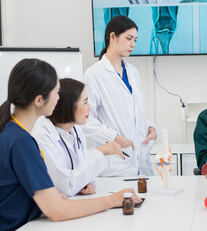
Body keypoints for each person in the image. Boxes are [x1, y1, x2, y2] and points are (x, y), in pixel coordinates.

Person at [0, 59, 141, 231]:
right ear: (39, 100)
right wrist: (112, 200)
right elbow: (57, 211)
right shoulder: (22, 142)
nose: (59, 98)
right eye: (56, 92)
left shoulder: (13, 134)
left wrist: (49, 196)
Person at [82, 15, 156, 176]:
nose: (133, 44)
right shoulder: (94, 74)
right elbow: (85, 120)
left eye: (135, 39)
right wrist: (114, 137)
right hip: (115, 165)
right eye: (129, 38)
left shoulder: (132, 72)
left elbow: (134, 112)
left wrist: (149, 127)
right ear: (112, 37)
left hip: (140, 160)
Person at [34, 78, 126, 196]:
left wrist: (88, 183)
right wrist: (100, 151)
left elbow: (81, 169)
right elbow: (66, 185)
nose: (90, 108)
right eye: (85, 102)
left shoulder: (76, 130)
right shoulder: (43, 139)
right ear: (68, 106)